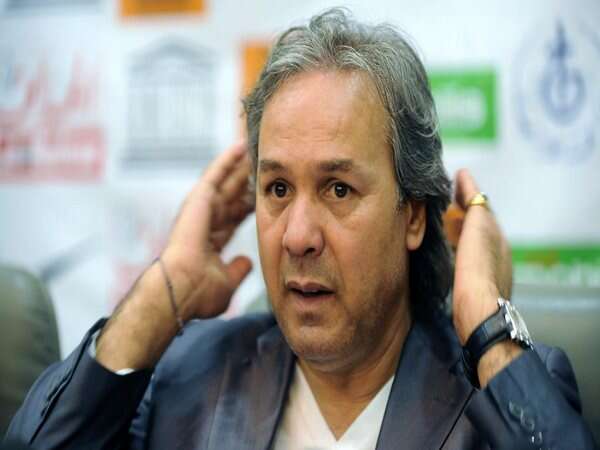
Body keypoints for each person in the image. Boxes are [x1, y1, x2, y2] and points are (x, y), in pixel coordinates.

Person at [5, 8, 597, 450]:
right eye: (278, 189)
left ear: (414, 215)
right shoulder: (190, 375)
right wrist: (165, 292)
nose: (296, 237)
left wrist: (486, 326)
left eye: (338, 189)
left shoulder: (502, 389)